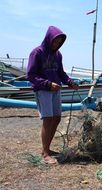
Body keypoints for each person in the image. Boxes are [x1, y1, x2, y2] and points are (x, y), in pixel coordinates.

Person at [27, 26, 78, 164]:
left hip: (56, 90)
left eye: (60, 42)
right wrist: (48, 84)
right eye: (55, 41)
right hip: (43, 90)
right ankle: (45, 153)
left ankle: (47, 148)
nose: (57, 44)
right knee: (48, 119)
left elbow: (60, 73)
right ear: (49, 38)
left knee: (56, 118)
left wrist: (69, 81)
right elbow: (31, 75)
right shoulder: (36, 52)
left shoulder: (58, 55)